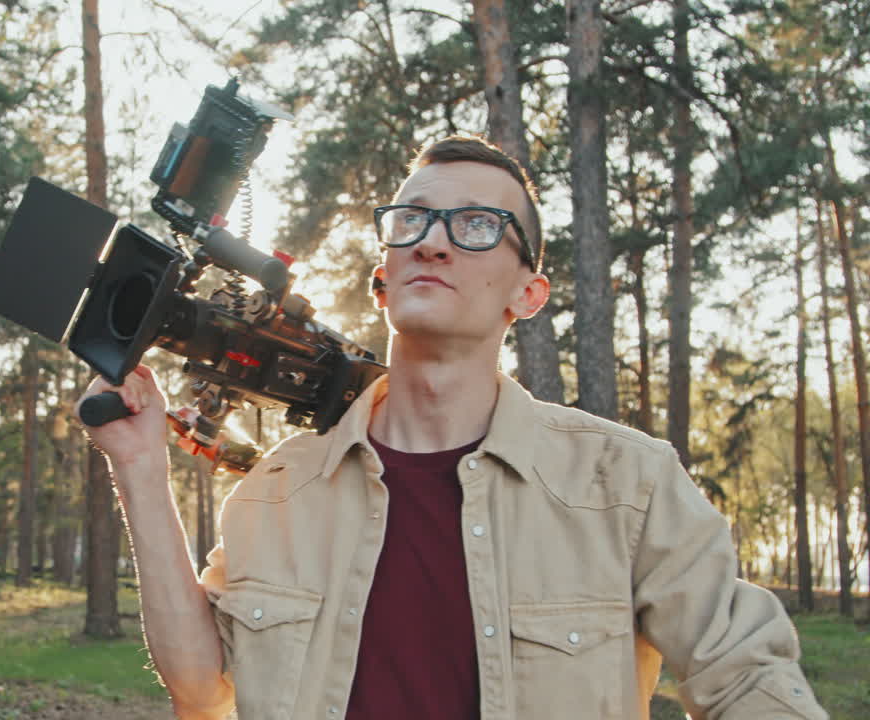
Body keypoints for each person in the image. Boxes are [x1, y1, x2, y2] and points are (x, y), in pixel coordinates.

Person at [79, 135, 828, 720]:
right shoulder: (278, 491)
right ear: (383, 281)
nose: (433, 241)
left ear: (528, 293)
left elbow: (747, 675)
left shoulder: (624, 487)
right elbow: (201, 688)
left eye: (477, 225)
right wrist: (140, 469)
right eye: (413, 220)